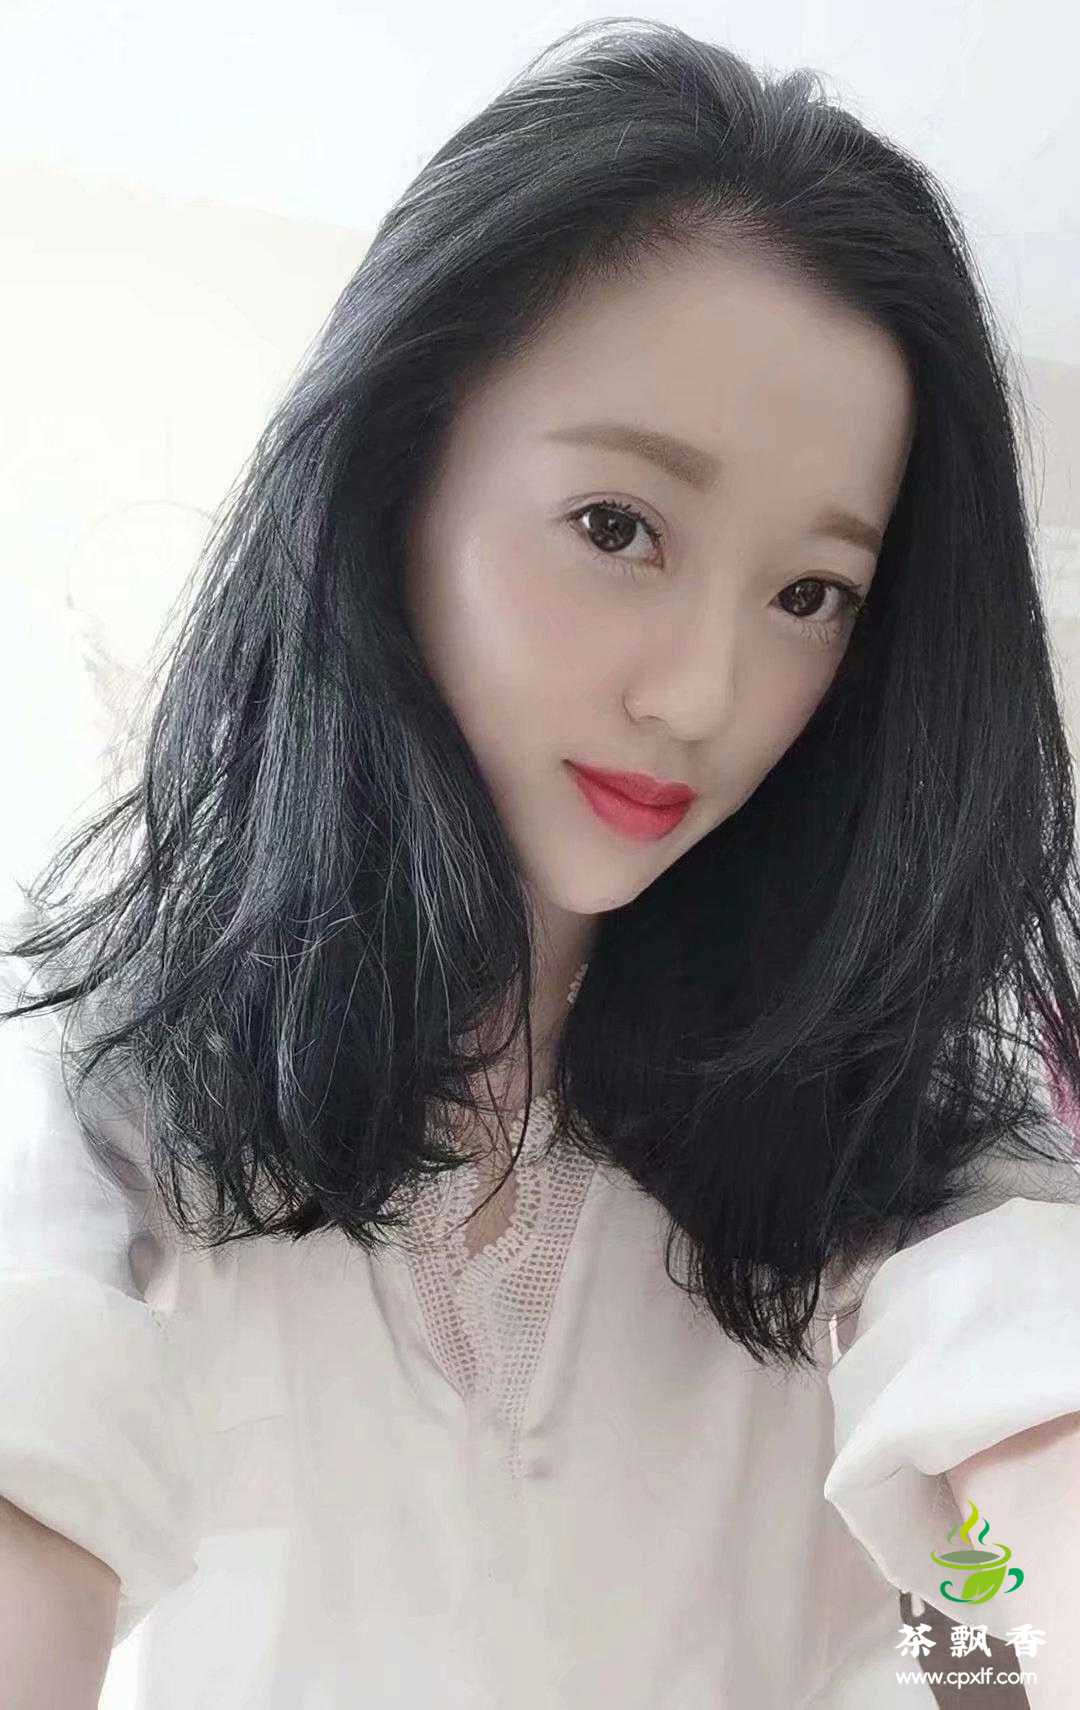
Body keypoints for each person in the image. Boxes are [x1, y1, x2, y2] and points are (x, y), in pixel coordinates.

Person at [2, 17, 1080, 1708]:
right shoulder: (130, 1085)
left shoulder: (894, 1154)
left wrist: (995, 1615)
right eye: (618, 527)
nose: (704, 693)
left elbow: (996, 1556)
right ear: (398, 475)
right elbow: (37, 1464)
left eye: (811, 594)